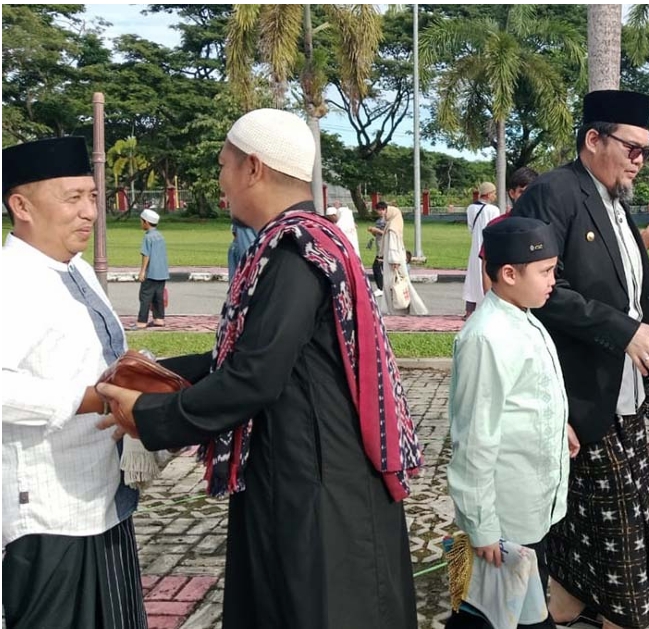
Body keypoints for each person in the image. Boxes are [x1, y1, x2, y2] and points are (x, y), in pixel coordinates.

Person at [95, 108, 423, 628]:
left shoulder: (294, 252)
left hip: (314, 480)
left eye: (224, 165)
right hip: (301, 463)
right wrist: (140, 374)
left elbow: (254, 376)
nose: (220, 180)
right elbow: (237, 358)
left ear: (253, 168)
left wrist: (154, 414)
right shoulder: (303, 240)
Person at [511, 89, 649, 629]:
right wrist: (622, 330)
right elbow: (540, 290)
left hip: (623, 388)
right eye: (633, 148)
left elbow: (628, 289)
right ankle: (618, 614)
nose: (640, 160)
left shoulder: (615, 202)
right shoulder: (552, 194)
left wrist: (640, 329)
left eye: (646, 152)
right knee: (614, 523)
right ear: (593, 138)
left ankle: (565, 603)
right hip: (579, 387)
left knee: (622, 508)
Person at [2, 136, 147, 628]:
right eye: (72, 198)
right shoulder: (12, 282)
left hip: (102, 498)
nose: (89, 212)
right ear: (20, 205)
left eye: (92, 197)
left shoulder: (75, 269)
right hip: (49, 512)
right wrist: (91, 399)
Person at [446, 217, 575, 629]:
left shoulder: (527, 318)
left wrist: (561, 428)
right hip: (503, 518)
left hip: (532, 506)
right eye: (546, 271)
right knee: (487, 611)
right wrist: (481, 526)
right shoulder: (486, 337)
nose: (554, 280)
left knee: (504, 608)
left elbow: (530, 398)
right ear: (508, 273)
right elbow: (473, 438)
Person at [383, 203, 429, 315]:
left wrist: (394, 261)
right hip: (397, 260)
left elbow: (392, 246)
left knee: (394, 285)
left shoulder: (392, 228)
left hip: (393, 262)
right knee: (401, 284)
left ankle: (397, 309)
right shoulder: (394, 225)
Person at [463, 182, 501, 317]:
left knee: (472, 278)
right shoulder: (493, 210)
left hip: (475, 247)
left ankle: (469, 311)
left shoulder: (470, 208)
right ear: (489, 194)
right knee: (487, 277)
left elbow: (470, 228)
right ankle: (488, 309)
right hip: (488, 246)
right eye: (494, 193)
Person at [133, 208, 169, 330]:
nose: (141, 224)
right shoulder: (160, 236)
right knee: (158, 297)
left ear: (146, 222)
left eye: (141, 221)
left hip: (151, 273)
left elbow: (146, 255)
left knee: (145, 297)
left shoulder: (148, 237)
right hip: (162, 272)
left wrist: (142, 271)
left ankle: (141, 321)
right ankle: (159, 319)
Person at [367, 200, 389, 296]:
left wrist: (376, 230)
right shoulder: (378, 221)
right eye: (378, 210)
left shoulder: (387, 220)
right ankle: (384, 288)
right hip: (379, 247)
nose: (380, 212)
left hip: (385, 248)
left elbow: (387, 233)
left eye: (382, 209)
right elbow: (378, 235)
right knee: (381, 268)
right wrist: (373, 231)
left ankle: (381, 288)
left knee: (376, 267)